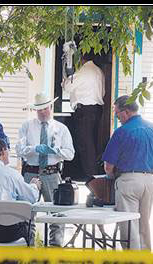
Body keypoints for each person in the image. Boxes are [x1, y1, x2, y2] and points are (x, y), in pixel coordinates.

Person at [102, 95, 153, 264]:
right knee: (144, 224)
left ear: (126, 112)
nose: (117, 117)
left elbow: (108, 167)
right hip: (152, 179)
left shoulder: (122, 132)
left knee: (129, 228)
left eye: (117, 113)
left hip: (129, 180)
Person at [15, 92, 75, 246]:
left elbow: (70, 154)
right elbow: (19, 150)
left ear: (51, 107)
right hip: (31, 172)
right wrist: (36, 148)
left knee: (57, 212)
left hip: (51, 172)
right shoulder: (26, 126)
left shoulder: (61, 128)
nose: (42, 112)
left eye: (45, 108)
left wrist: (55, 151)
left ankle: (55, 247)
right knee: (27, 211)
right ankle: (28, 246)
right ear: (35, 110)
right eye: (39, 109)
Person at [62, 51, 105, 179]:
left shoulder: (84, 71)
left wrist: (65, 80)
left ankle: (91, 177)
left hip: (85, 111)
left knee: (86, 145)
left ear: (82, 58)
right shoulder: (99, 71)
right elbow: (102, 93)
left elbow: (68, 87)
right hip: (95, 109)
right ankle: (92, 175)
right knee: (91, 143)